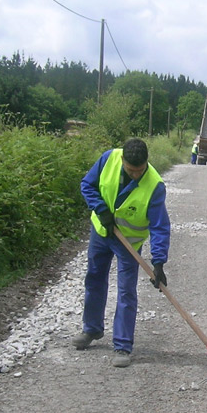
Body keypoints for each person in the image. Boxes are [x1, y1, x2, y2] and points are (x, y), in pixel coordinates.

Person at [74, 138, 170, 368]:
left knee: (126, 291)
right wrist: (101, 209)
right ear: (123, 161)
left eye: (139, 171)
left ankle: (123, 345)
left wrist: (158, 263)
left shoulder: (155, 186)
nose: (135, 175)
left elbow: (159, 226)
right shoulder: (108, 159)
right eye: (130, 170)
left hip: (129, 244)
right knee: (94, 279)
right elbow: (87, 185)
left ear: (146, 162)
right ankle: (92, 330)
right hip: (101, 233)